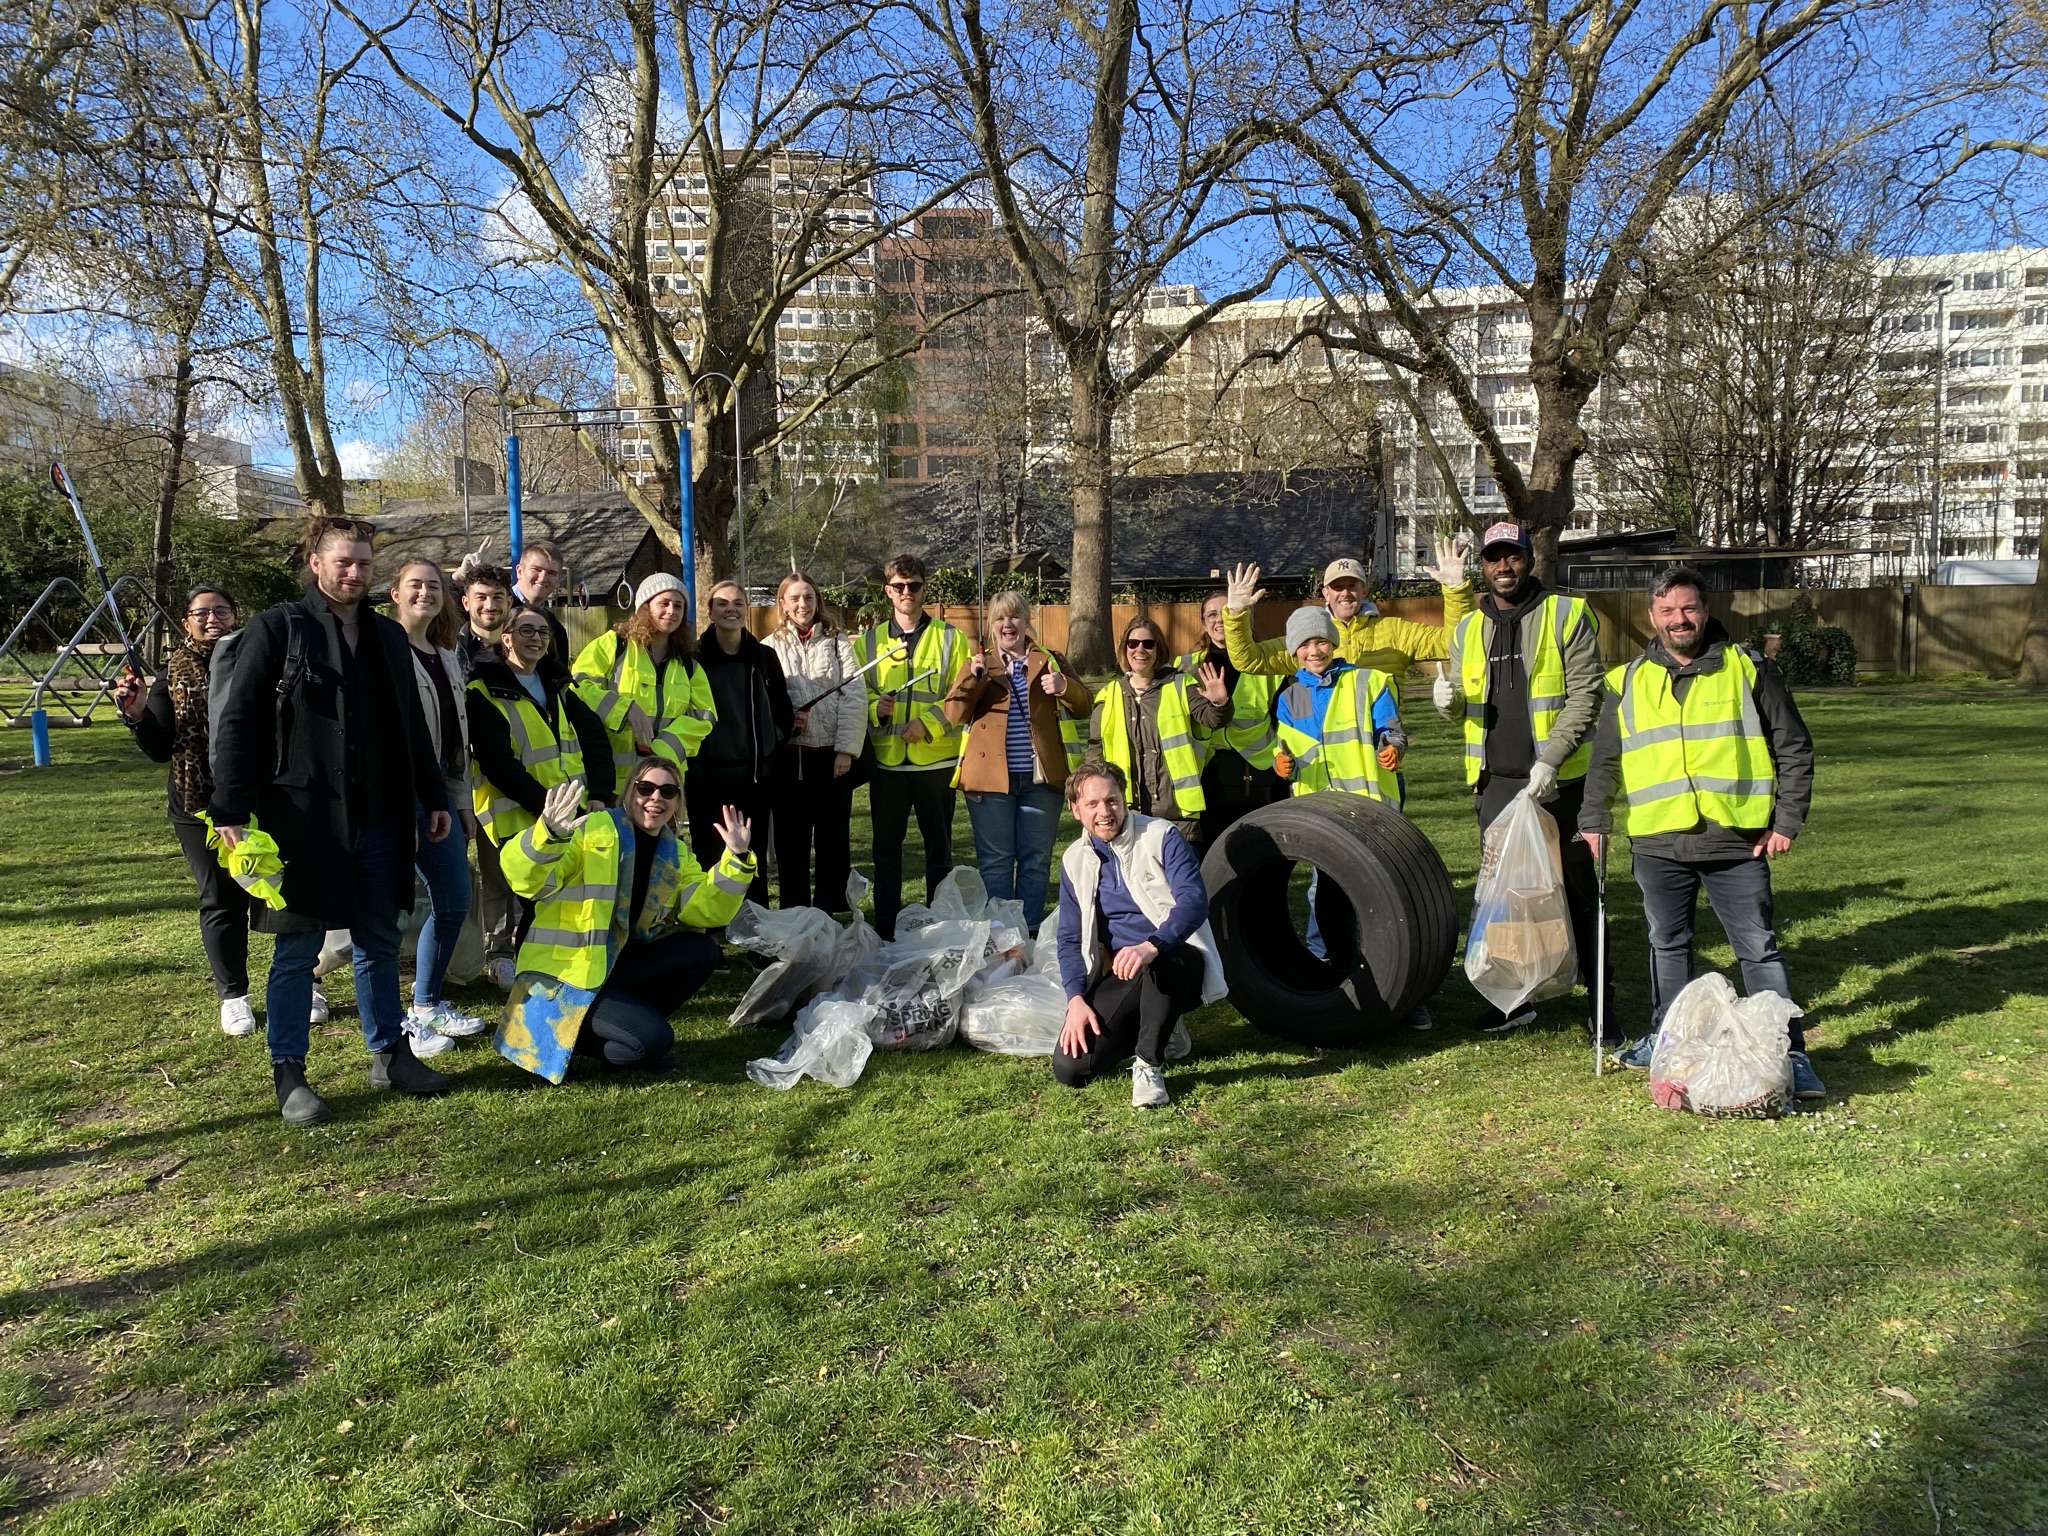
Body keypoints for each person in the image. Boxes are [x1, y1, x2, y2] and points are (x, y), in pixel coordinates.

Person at [209, 515, 456, 1126]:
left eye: (365, 564)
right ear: (316, 564)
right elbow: (239, 721)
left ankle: (390, 1054)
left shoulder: (389, 637)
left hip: (381, 818)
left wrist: (435, 798)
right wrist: (230, 808)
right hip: (303, 819)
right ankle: (289, 1070)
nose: (355, 573)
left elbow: (411, 731)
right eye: (343, 562)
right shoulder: (278, 628)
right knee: (297, 948)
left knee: (377, 938)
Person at [1579, 566, 1823, 1098]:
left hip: (1735, 841)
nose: (1678, 619)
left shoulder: (1748, 668)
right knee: (1667, 945)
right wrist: (1593, 820)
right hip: (1658, 843)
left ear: (1706, 610)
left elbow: (1794, 748)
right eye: (1667, 611)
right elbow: (1604, 763)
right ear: (1652, 616)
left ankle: (1791, 1052)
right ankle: (1668, 1040)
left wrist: (1787, 821)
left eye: (1688, 608)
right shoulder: (1626, 681)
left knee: (1758, 949)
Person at [1433, 520, 1614, 1039]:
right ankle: (1515, 1000)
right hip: (1497, 786)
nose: (1503, 566)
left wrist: (1552, 758)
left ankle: (1602, 1007)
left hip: (1560, 784)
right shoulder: (1468, 628)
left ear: (1529, 560)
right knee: (1507, 897)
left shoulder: (1567, 613)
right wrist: (1448, 706)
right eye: (1494, 558)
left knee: (1580, 894)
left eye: (1513, 556)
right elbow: (1468, 702)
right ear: (1482, 566)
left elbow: (1586, 694)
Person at [496, 757, 758, 1081]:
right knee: (652, 1042)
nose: (655, 799)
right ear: (629, 792)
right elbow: (526, 880)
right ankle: (549, 1033)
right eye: (645, 788)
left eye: (668, 791)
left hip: (610, 969)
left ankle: (620, 1028)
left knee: (702, 949)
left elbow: (703, 909)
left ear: (677, 802)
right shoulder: (591, 830)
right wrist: (547, 835)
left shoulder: (675, 854)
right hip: (564, 977)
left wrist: (737, 860)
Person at [115, 585, 254, 1036]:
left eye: (222, 610)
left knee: (281, 889)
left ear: (235, 616)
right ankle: (233, 995)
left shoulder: (255, 658)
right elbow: (159, 747)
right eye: (202, 612)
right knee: (221, 896)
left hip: (259, 792)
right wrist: (137, 713)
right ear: (186, 619)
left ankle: (303, 981)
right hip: (197, 802)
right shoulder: (173, 671)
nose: (212, 618)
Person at [1053, 762, 1225, 1108]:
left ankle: (1148, 1064)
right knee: (1072, 1068)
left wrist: (1153, 945)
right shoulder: (1073, 860)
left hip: (1175, 955)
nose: (1105, 812)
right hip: (1124, 970)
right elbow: (1069, 939)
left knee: (1166, 963)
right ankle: (1163, 1023)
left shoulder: (1161, 835)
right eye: (1093, 804)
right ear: (1075, 810)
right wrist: (1075, 1000)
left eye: (1112, 801)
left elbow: (1193, 902)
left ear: (1124, 799)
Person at [469, 603, 618, 971]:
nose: (536, 639)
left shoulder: (559, 685)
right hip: (516, 815)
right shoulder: (483, 690)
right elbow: (498, 764)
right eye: (526, 631)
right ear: (506, 639)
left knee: (558, 898)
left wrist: (600, 793)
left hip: (568, 814)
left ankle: (553, 970)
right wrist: (548, 809)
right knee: (520, 894)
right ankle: (510, 962)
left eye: (543, 633)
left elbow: (595, 739)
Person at [942, 589, 1093, 930]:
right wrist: (974, 678)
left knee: (1036, 861)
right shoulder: (978, 664)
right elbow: (953, 713)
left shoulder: (1050, 659)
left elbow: (1084, 705)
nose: (1007, 624)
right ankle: (1000, 938)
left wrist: (1064, 686)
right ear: (991, 626)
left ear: (1027, 621)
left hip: (1042, 780)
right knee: (996, 863)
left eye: (1014, 617)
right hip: (990, 780)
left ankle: (1028, 935)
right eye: (999, 618)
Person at [387, 557, 489, 1050]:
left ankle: (426, 1004)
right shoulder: (383, 649)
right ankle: (395, 1026)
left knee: (453, 898)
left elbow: (457, 739)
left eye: (433, 586)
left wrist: (461, 800)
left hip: (440, 800)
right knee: (381, 915)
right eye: (415, 585)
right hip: (392, 797)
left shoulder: (446, 652)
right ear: (394, 593)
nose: (425, 593)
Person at [852, 553, 971, 938]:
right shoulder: (868, 642)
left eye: (914, 586)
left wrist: (928, 723)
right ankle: (885, 927)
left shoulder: (952, 639)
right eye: (899, 586)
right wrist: (877, 709)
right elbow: (858, 694)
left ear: (925, 589)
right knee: (886, 852)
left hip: (935, 762)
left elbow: (962, 694)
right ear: (887, 591)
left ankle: (940, 927)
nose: (907, 593)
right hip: (887, 765)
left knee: (940, 852)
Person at [1220, 537, 1474, 704]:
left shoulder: (1396, 631)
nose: (1345, 593)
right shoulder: (1309, 642)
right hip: (1324, 749)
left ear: (1364, 591)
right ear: (1325, 594)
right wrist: (1235, 614)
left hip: (1383, 749)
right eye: (1337, 587)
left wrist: (1456, 590)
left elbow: (1455, 643)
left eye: (1352, 585)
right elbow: (1249, 661)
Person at [764, 571, 864, 913]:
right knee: (793, 844)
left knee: (832, 841)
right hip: (790, 761)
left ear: (817, 601)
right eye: (794, 598)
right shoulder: (768, 647)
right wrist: (789, 722)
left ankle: (827, 914)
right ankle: (795, 916)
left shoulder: (837, 641)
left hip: (831, 759)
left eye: (808, 597)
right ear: (783, 604)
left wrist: (846, 750)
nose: (802, 604)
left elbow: (855, 695)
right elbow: (767, 703)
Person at [689, 579, 793, 905]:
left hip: (755, 778)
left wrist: (773, 738)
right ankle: (714, 934)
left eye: (737, 603)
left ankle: (755, 932)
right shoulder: (694, 657)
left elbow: (782, 710)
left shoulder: (763, 657)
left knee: (753, 857)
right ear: (710, 612)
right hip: (706, 778)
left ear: (745, 610)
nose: (730, 609)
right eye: (722, 603)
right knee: (710, 855)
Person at [1088, 615, 1229, 846]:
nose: (1140, 649)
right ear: (1124, 649)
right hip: (1124, 812)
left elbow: (1212, 719)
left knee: (1180, 883)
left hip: (1177, 815)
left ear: (1158, 649)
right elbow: (1095, 749)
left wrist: (1219, 703)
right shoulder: (1108, 694)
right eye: (1133, 643)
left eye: (1148, 644)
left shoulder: (1181, 684)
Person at [572, 572, 716, 785]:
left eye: (678, 606)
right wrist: (624, 709)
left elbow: (706, 715)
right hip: (610, 782)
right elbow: (578, 687)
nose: (671, 611)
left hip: (663, 783)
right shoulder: (614, 646)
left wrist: (664, 749)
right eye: (664, 603)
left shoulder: (687, 664)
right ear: (645, 607)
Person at [1176, 589, 1283, 847]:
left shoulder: (1269, 663)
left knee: (1261, 856)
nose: (1219, 620)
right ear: (1203, 622)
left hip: (1259, 775)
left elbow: (1285, 721)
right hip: (1207, 776)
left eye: (1226, 612)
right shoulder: (1185, 666)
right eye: (1211, 614)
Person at [510, 539, 571, 667]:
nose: (543, 578)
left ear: (558, 580)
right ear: (519, 571)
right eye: (536, 569)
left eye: (551, 573)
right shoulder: (496, 610)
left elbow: (560, 677)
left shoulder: (555, 629)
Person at [457, 562, 511, 667]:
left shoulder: (522, 647)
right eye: (481, 597)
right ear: (466, 603)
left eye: (497, 597)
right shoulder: (450, 650)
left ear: (509, 603)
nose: (490, 606)